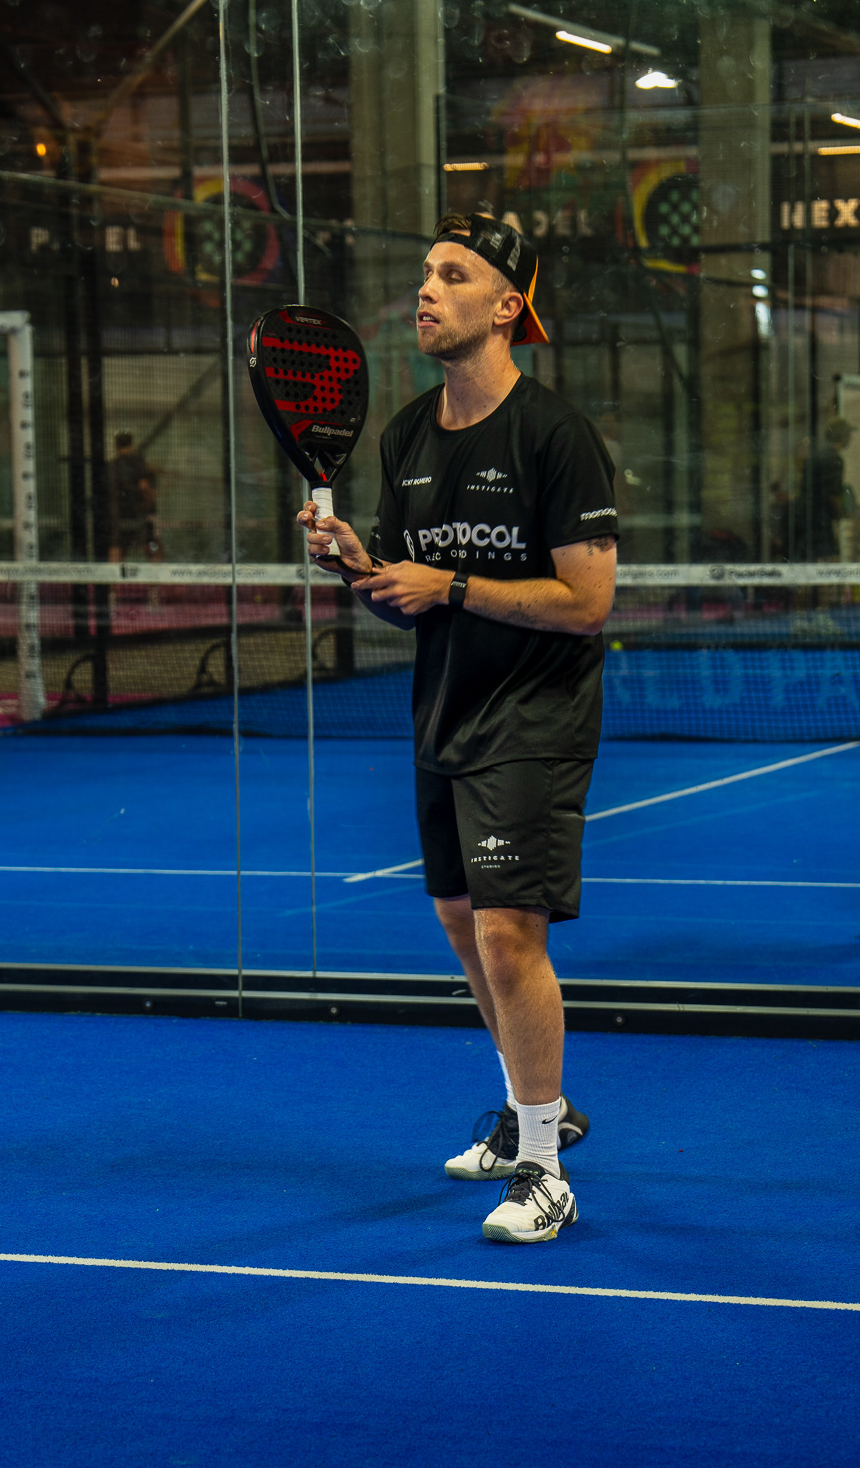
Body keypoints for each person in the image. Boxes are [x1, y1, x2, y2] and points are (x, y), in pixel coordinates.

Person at [299, 213, 618, 1245]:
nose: (425, 291)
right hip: (442, 710)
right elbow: (407, 598)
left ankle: (543, 1170)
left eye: (451, 275)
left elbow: (587, 602)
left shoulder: (555, 436)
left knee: (505, 930)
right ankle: (536, 1107)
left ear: (506, 306)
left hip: (535, 714)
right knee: (455, 917)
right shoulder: (403, 435)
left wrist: (452, 582)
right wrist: (356, 564)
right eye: (423, 275)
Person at [798, 416, 855, 560]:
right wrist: (841, 515)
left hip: (807, 518)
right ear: (843, 436)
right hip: (820, 520)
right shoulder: (834, 459)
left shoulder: (817, 456)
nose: (850, 437)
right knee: (832, 560)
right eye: (848, 434)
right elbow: (832, 495)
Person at [107, 432, 158, 562]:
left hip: (118, 515)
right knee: (152, 548)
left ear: (116, 447)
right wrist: (149, 507)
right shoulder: (138, 463)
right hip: (138, 514)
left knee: (117, 547)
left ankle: (111, 576)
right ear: (131, 445)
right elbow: (145, 488)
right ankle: (158, 575)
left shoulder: (111, 466)